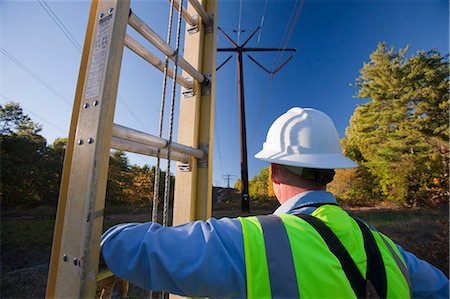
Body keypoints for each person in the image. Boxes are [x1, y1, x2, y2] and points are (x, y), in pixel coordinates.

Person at [101, 107, 448, 298]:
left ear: (274, 171)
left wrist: (104, 240)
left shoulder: (254, 241)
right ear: (328, 171)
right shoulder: (385, 247)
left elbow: (138, 248)